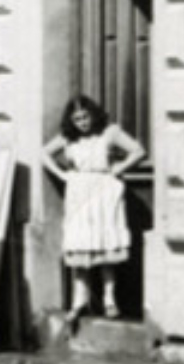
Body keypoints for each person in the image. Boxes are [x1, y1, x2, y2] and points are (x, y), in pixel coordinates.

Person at [41, 96, 146, 325]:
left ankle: (109, 300)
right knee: (80, 244)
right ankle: (80, 301)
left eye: (85, 116)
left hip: (104, 190)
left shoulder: (110, 132)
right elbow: (43, 153)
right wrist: (62, 174)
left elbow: (138, 151)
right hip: (79, 192)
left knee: (104, 244)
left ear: (93, 113)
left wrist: (119, 168)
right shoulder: (68, 137)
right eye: (77, 119)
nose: (82, 122)